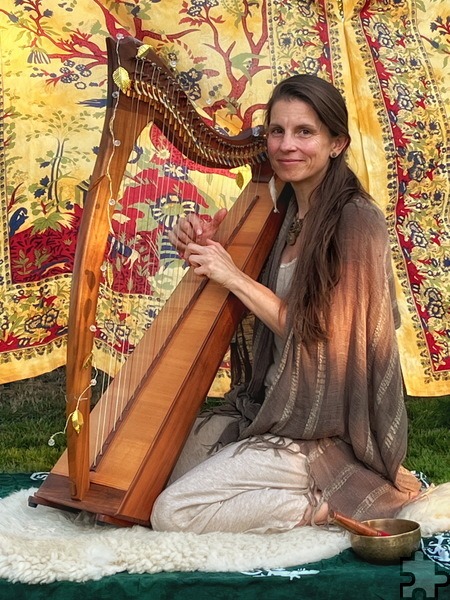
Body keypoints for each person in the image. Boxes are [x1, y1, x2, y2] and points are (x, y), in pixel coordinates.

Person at [150, 74, 421, 534]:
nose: (286, 145)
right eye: (277, 130)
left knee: (172, 512)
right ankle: (286, 481)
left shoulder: (355, 221)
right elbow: (256, 303)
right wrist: (204, 246)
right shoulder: (290, 212)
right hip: (269, 404)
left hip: (319, 426)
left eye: (305, 132)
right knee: (156, 467)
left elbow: (328, 340)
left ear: (336, 143)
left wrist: (231, 274)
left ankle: (337, 499)